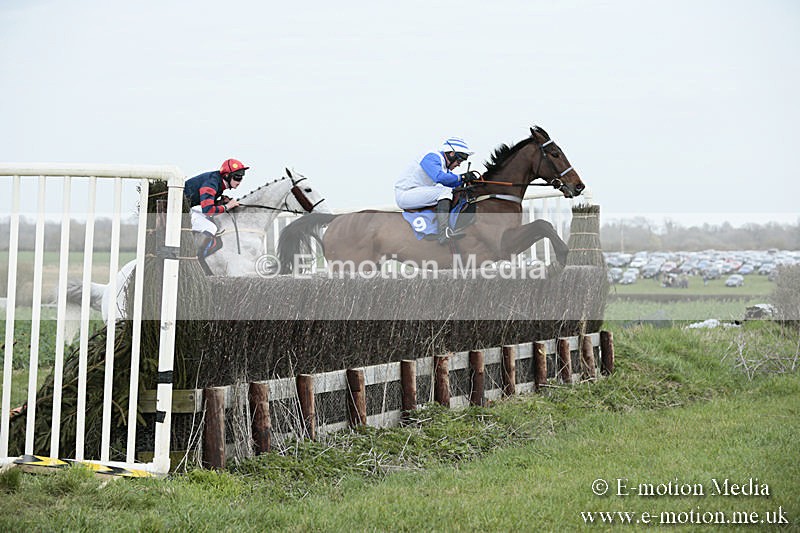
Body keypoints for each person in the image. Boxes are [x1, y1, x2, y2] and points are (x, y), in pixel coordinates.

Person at [395, 136, 475, 244]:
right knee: (444, 191)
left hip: (416, 192)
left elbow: (452, 181)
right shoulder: (432, 156)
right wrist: (462, 177)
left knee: (449, 190)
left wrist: (471, 181)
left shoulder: (443, 165)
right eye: (459, 159)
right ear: (451, 154)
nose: (459, 164)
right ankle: (443, 232)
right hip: (405, 194)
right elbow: (440, 178)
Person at [184, 158, 247, 274]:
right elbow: (208, 210)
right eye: (237, 177)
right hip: (181, 211)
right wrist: (228, 206)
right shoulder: (211, 183)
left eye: (241, 177)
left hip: (190, 207)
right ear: (227, 176)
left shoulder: (217, 181)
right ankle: (198, 258)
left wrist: (220, 202)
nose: (240, 181)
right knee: (211, 228)